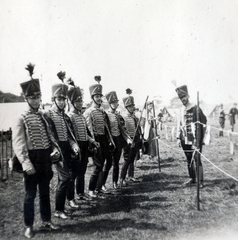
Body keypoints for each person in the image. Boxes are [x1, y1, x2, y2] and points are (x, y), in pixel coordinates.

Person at [12, 64, 60, 239]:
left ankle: (46, 221)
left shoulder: (44, 116)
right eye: (32, 98)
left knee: (45, 192)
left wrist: (55, 150)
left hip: (45, 158)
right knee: (30, 195)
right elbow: (18, 144)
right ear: (26, 99)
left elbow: (51, 137)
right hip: (31, 159)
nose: (35, 100)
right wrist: (26, 163)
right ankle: (28, 226)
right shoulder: (20, 118)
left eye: (38, 97)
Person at [44, 71, 80, 220]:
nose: (62, 102)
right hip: (56, 150)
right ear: (53, 99)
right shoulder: (47, 114)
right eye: (59, 99)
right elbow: (49, 135)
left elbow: (69, 135)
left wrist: (74, 145)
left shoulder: (65, 116)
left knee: (67, 177)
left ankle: (66, 203)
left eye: (63, 99)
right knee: (64, 178)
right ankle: (58, 210)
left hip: (67, 149)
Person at [66, 80, 99, 200]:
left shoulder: (81, 116)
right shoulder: (69, 116)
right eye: (77, 101)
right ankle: (70, 199)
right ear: (72, 102)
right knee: (72, 174)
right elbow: (69, 135)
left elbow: (86, 132)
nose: (80, 103)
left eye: (81, 101)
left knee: (82, 172)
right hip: (75, 147)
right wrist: (74, 146)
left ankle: (80, 194)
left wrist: (92, 141)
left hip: (84, 146)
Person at [83, 76, 115, 197]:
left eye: (100, 96)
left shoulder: (102, 111)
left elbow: (106, 128)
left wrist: (109, 140)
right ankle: (91, 189)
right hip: (95, 140)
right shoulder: (88, 112)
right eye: (97, 97)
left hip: (104, 140)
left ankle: (100, 186)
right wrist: (93, 143)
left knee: (108, 162)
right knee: (98, 166)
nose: (99, 99)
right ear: (92, 98)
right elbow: (89, 129)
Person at [175, 85, 207, 188]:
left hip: (195, 138)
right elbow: (179, 124)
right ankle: (192, 178)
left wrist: (198, 139)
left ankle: (200, 181)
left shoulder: (196, 108)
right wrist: (178, 138)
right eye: (181, 98)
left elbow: (203, 122)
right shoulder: (180, 110)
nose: (183, 99)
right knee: (189, 158)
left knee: (197, 158)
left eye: (184, 97)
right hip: (184, 138)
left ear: (188, 96)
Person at [102, 91, 132, 190]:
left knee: (116, 163)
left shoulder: (119, 116)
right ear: (110, 104)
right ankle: (102, 184)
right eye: (113, 103)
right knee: (108, 163)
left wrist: (127, 138)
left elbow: (123, 129)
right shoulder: (105, 115)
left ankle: (114, 182)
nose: (115, 105)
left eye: (116, 103)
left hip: (118, 140)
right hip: (109, 142)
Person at [119, 88, 142, 187]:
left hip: (135, 139)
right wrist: (128, 139)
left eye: (133, 106)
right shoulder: (124, 117)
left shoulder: (135, 117)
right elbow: (123, 130)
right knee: (127, 159)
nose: (132, 108)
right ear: (126, 107)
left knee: (132, 158)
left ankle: (130, 176)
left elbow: (138, 129)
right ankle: (121, 179)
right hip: (127, 141)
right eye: (130, 106)